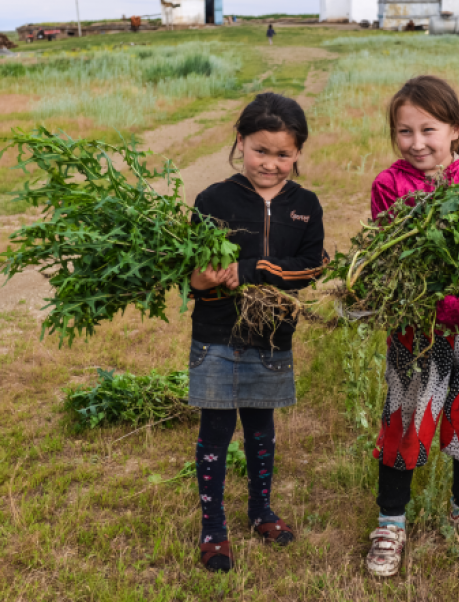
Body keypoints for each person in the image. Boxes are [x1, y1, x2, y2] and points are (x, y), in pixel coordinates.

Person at [365, 75, 459, 577]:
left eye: (428, 129)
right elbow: (399, 264)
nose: (416, 143)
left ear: (454, 129)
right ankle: (390, 522)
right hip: (419, 328)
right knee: (405, 418)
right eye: (404, 132)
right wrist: (441, 300)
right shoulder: (390, 185)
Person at [187, 92, 326, 573]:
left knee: (261, 431)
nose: (271, 163)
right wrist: (203, 279)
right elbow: (192, 274)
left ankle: (261, 512)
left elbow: (310, 268)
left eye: (283, 154)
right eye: (260, 151)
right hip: (216, 335)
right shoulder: (213, 200)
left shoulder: (306, 206)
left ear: (299, 152)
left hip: (272, 340)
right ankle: (213, 527)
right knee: (215, 433)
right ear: (240, 142)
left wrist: (252, 268)